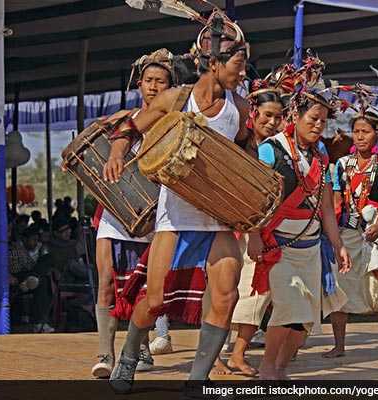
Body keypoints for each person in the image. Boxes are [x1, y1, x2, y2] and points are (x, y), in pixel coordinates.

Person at [105, 10, 251, 392]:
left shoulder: (241, 108)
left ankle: (197, 380)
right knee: (154, 302)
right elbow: (129, 127)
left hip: (220, 218)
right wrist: (118, 152)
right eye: (238, 63)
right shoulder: (175, 99)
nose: (242, 72)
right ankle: (129, 356)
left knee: (225, 297)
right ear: (215, 63)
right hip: (175, 217)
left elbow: (248, 154)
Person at [247, 89, 351, 380]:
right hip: (278, 245)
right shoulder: (270, 149)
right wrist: (254, 235)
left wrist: (338, 244)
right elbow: (255, 197)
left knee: (306, 317)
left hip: (311, 246)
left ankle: (280, 367)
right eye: (314, 119)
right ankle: (267, 365)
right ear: (295, 116)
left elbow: (327, 208)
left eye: (324, 121)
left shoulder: (321, 155)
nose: (319, 126)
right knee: (288, 307)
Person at [90, 48, 175, 379]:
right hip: (115, 211)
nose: (154, 87)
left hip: (156, 216)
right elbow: (96, 143)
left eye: (161, 82)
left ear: (170, 87)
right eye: (149, 81)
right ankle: (104, 353)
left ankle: (137, 345)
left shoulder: (173, 124)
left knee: (147, 288)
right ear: (139, 84)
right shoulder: (124, 119)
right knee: (107, 279)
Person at [324, 93, 378, 358]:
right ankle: (339, 345)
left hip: (371, 235)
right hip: (346, 234)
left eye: (365, 132)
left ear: (377, 134)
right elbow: (336, 200)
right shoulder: (341, 165)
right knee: (340, 287)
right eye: (356, 131)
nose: (359, 137)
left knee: (375, 285)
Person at [227, 70, 289, 376]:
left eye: (278, 117)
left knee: (257, 292)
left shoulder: (280, 148)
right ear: (253, 113)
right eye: (267, 115)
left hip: (267, 227)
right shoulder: (241, 143)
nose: (272, 122)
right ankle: (231, 353)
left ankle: (237, 351)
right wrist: (252, 233)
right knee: (242, 291)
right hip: (241, 227)